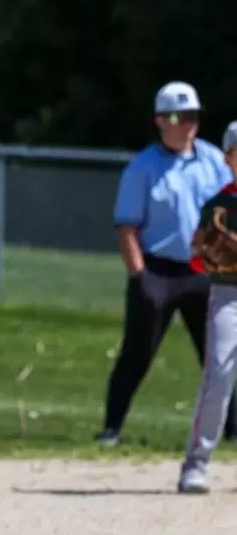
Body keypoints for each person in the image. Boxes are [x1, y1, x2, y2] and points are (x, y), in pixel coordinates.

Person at [96, 81, 237, 447]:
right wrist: (139, 275)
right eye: (178, 117)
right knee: (138, 353)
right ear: (160, 120)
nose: (187, 124)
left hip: (203, 271)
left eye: (192, 116)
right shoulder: (142, 168)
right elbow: (127, 227)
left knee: (219, 354)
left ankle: (232, 428)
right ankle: (111, 428)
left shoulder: (213, 162)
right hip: (157, 271)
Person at [177, 121, 237, 493]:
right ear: (229, 158)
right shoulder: (218, 206)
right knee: (218, 375)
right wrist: (208, 254)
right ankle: (196, 465)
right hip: (228, 297)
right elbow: (197, 258)